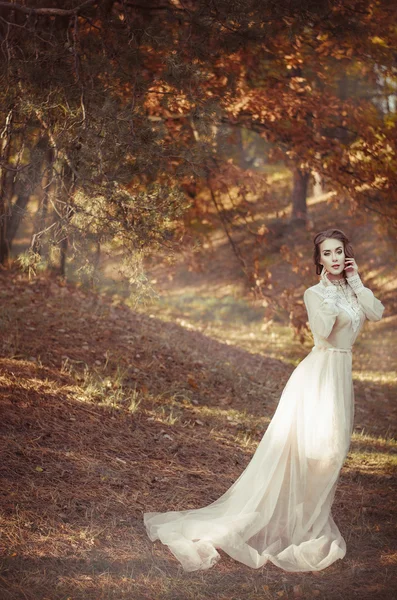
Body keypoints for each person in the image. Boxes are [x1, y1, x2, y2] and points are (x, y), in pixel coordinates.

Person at [143, 228, 384, 573]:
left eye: (338, 252)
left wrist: (356, 281)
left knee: (333, 453)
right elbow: (323, 331)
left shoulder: (352, 289)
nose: (333, 258)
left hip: (340, 372)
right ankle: (297, 525)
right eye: (327, 253)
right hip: (319, 374)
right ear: (318, 260)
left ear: (346, 255)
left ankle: (302, 522)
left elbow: (375, 313)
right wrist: (330, 293)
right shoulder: (314, 293)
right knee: (319, 451)